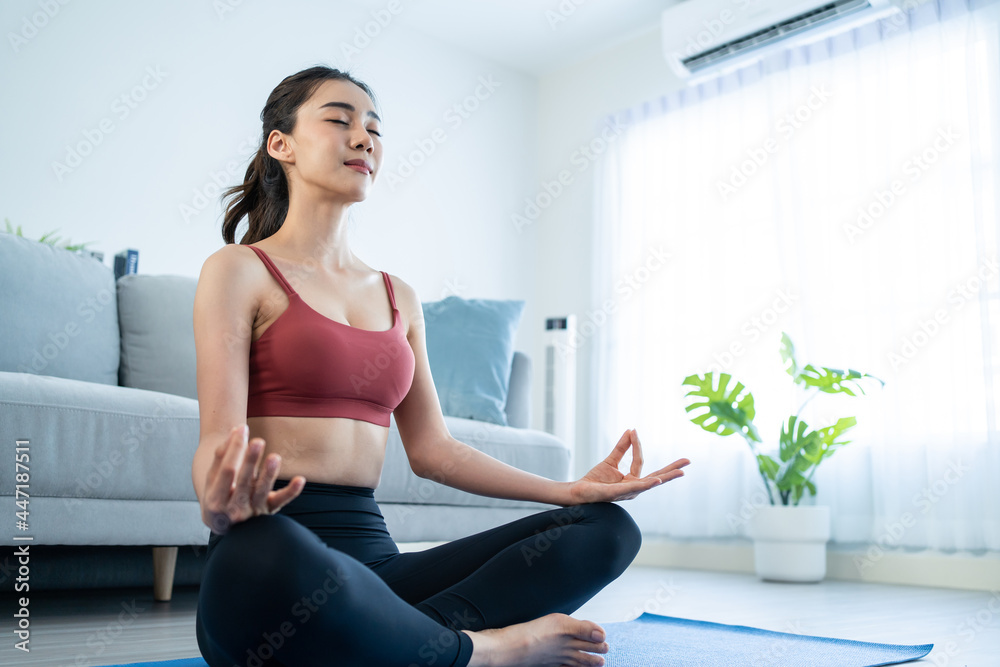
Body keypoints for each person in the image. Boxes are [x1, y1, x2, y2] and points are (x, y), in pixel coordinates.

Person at [191, 64, 691, 667]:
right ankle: (483, 652)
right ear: (282, 145)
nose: (363, 139)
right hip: (273, 558)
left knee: (606, 529)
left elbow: (436, 452)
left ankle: (418, 645)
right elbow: (220, 439)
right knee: (268, 549)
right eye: (339, 120)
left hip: (378, 573)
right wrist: (218, 506)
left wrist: (570, 491)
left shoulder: (399, 296)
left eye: (374, 128)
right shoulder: (239, 270)